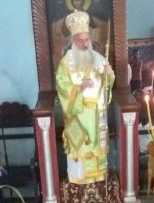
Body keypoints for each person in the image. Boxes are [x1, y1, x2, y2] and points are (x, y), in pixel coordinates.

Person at [55, 10, 115, 184]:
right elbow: (62, 86)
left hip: (96, 113)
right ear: (73, 40)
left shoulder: (99, 59)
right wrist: (80, 87)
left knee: (97, 147)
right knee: (81, 147)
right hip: (79, 115)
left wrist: (109, 75)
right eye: (80, 40)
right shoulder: (66, 63)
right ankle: (81, 180)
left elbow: (106, 86)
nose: (84, 43)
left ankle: (98, 176)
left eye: (86, 39)